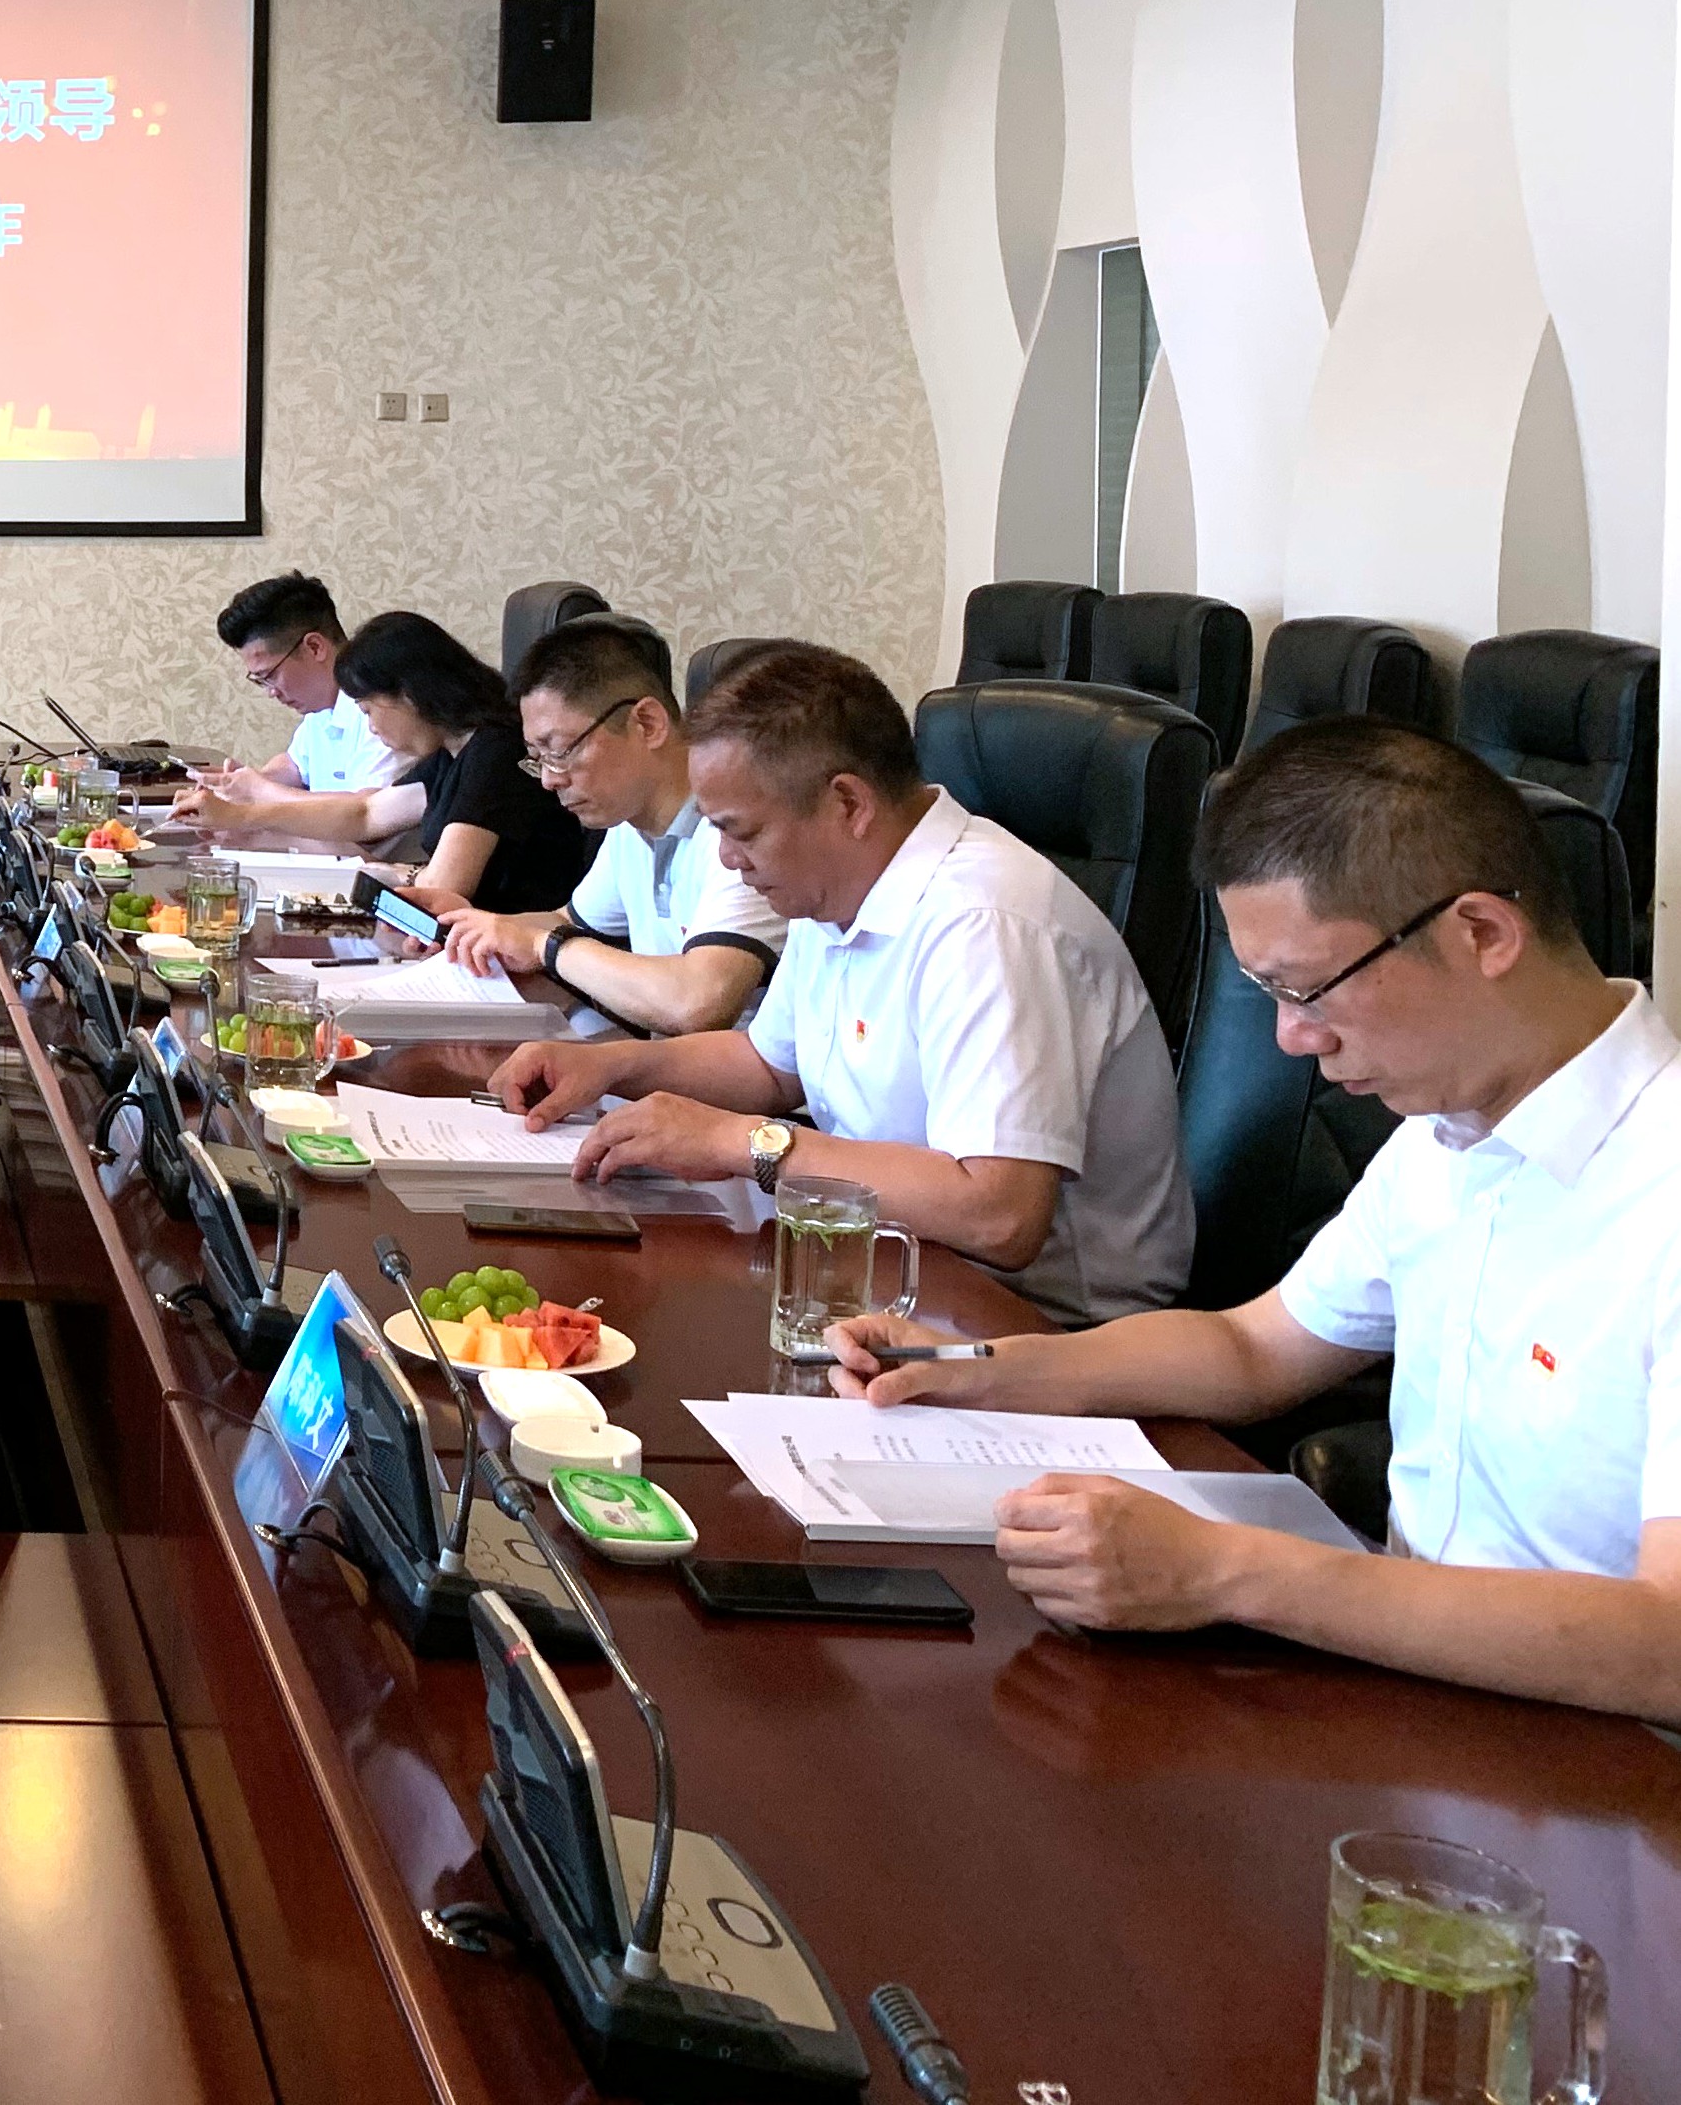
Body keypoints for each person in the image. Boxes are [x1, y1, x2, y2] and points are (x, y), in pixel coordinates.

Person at [827, 719, 1681, 1722]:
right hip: (1425, 1698)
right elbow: (1255, 1347)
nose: (1291, 1036)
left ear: (1482, 933)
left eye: (1308, 989)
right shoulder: (1446, 1131)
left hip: (1603, 1758)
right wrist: (982, 1369)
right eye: (1268, 992)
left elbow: (1667, 1644)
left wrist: (1228, 1571)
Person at [489, 642, 1190, 1323]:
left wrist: (742, 1143)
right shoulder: (834, 887)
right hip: (884, 1266)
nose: (727, 859)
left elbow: (999, 1214)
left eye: (743, 832)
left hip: (1037, 1321)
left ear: (847, 804)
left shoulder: (985, 924)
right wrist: (612, 1067)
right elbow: (769, 1064)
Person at [407, 615, 782, 1033]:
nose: (549, 780)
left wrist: (542, 945)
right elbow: (568, 922)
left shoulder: (739, 836)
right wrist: (473, 925)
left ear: (647, 724)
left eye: (559, 751)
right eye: (538, 759)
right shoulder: (629, 828)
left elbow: (699, 1002)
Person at [191, 610, 591, 911]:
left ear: (411, 694)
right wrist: (244, 819)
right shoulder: (452, 752)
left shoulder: (496, 752)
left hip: (517, 959)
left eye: (368, 710)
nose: (372, 727)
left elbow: (442, 887)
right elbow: (366, 814)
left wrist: (396, 873)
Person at [174, 570, 414, 846]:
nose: (271, 692)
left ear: (314, 647)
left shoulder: (385, 708)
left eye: (270, 675)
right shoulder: (321, 708)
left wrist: (257, 793)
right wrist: (238, 783)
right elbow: (294, 766)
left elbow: (367, 813)